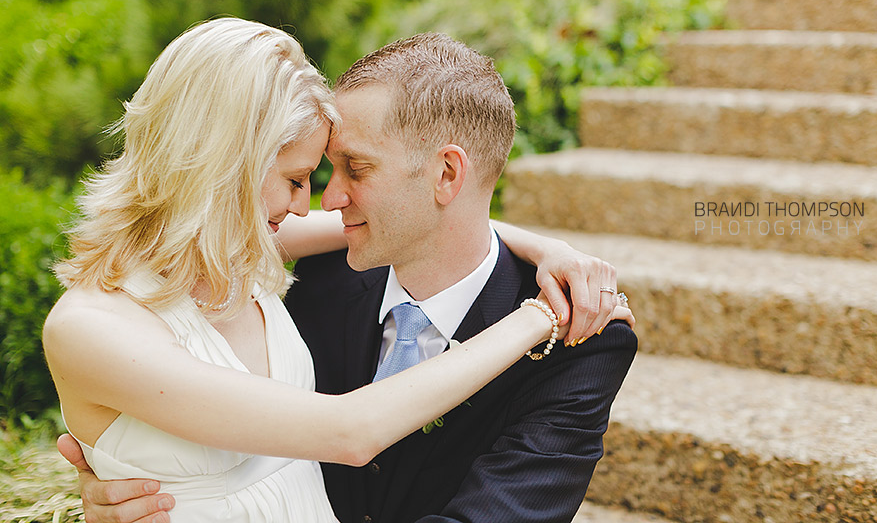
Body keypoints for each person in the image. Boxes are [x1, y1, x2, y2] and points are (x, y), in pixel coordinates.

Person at [58, 30, 637, 522]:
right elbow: (347, 432)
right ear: (224, 169)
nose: (322, 202)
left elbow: (456, 222)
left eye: (353, 168)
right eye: (300, 177)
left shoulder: (586, 343)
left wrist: (548, 250)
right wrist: (538, 316)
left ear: (446, 174)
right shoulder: (295, 268)